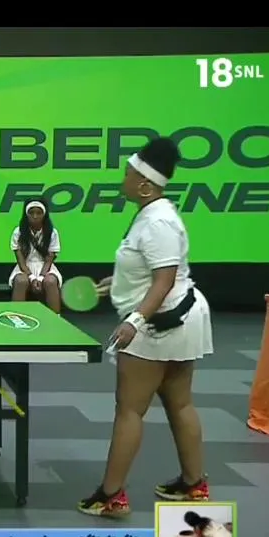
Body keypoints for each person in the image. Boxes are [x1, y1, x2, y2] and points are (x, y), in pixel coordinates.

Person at [78, 138, 214, 517]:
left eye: (128, 173)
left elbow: (164, 280)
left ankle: (111, 496)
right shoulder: (153, 213)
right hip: (177, 319)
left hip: (159, 325)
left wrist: (134, 321)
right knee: (179, 402)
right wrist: (116, 284)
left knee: (130, 409)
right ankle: (193, 485)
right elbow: (151, 272)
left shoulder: (157, 222)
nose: (122, 178)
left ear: (144, 184)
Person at [9, 200, 63, 313]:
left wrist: (41, 277)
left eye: (39, 213)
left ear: (44, 214)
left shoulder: (52, 232)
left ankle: (55, 318)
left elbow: (49, 259)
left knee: (50, 282)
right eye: (31, 213)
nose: (35, 216)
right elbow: (20, 260)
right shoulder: (18, 232)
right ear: (26, 214)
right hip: (25, 267)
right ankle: (17, 317)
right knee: (21, 281)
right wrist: (32, 277)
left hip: (46, 267)